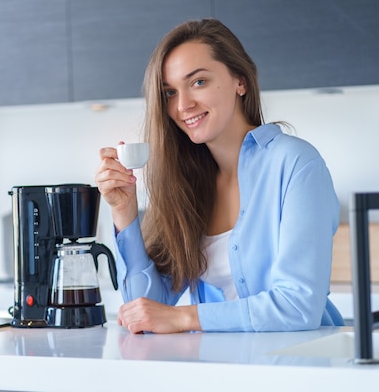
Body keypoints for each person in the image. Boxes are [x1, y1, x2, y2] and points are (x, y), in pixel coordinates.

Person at [94, 19, 344, 333]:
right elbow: (143, 311)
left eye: (198, 82)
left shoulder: (295, 162)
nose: (183, 105)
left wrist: (185, 318)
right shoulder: (186, 183)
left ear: (241, 81)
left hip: (297, 367)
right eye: (170, 92)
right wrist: (123, 212)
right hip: (223, 369)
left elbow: (298, 307)